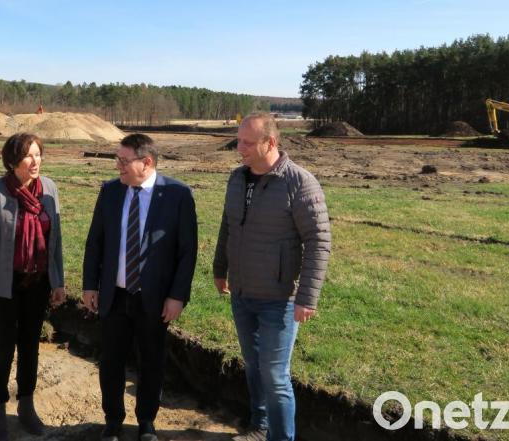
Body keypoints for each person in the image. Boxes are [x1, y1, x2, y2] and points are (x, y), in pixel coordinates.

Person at [213, 112, 331, 441]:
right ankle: (259, 427)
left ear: (271, 143)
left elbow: (319, 242)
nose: (240, 148)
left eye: (248, 143)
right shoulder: (236, 179)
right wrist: (220, 268)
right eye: (238, 140)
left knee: (275, 376)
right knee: (253, 367)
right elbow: (228, 226)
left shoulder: (299, 182)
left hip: (279, 299)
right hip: (242, 293)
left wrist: (307, 297)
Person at [82, 133, 198, 441]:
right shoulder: (110, 192)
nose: (117, 165)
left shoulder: (177, 195)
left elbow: (187, 252)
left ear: (146, 162)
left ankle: (146, 421)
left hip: (155, 298)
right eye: (117, 159)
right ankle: (113, 419)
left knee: (152, 361)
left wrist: (177, 296)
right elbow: (95, 242)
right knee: (111, 361)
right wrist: (90, 285)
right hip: (115, 295)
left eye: (123, 160)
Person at [0, 132, 66, 441]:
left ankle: (26, 405)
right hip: (3, 287)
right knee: (2, 350)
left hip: (37, 284)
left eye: (38, 154)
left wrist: (58, 281)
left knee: (30, 348)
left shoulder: (49, 188)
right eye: (28, 155)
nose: (35, 161)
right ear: (12, 161)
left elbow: (56, 241)